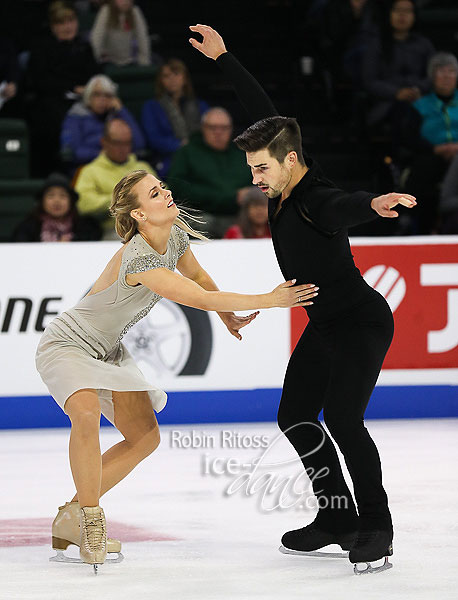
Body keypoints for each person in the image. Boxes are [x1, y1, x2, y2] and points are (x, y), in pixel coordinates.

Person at [189, 23, 417, 574]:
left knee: (342, 419)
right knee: (295, 414)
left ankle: (376, 527)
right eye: (252, 169)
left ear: (290, 162)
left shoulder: (314, 197)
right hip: (326, 325)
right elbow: (265, 112)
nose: (256, 179)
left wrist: (374, 203)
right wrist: (225, 59)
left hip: (361, 321)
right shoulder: (287, 167)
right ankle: (337, 516)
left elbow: (343, 206)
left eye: (262, 168)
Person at [35, 168, 318, 571]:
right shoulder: (138, 257)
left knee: (145, 438)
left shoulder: (175, 236)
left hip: (108, 350)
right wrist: (271, 299)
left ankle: (72, 512)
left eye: (162, 186)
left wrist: (228, 316)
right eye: (154, 193)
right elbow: (197, 298)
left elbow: (199, 278)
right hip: (67, 345)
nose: (165, 192)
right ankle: (91, 521)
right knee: (85, 414)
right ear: (139, 215)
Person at [26, 0, 98, 176]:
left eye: (71, 20)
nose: (68, 27)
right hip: (52, 101)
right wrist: (73, 88)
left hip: (84, 101)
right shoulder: (41, 48)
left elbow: (96, 76)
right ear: (52, 26)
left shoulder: (84, 47)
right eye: (61, 22)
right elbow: (40, 81)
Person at [168, 107, 252, 239]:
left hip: (239, 216)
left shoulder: (243, 154)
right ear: (203, 128)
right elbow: (177, 188)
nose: (218, 132)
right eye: (212, 127)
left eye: (224, 128)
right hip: (201, 216)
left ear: (231, 129)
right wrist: (229, 197)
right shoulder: (187, 153)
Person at [403, 52, 458, 234]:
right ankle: (417, 225)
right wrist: (435, 148)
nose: (446, 77)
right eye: (441, 72)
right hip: (431, 156)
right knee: (423, 168)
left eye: (451, 72)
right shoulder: (420, 105)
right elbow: (409, 138)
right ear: (432, 76)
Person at [74, 118, 155, 239]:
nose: (123, 148)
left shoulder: (143, 168)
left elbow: (163, 196)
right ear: (104, 142)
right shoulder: (90, 171)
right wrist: (123, 200)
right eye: (117, 143)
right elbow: (83, 204)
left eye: (127, 143)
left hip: (149, 228)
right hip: (112, 230)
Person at [362, 0, 434, 127]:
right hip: (387, 103)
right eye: (397, 10)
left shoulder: (424, 44)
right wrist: (396, 93)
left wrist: (418, 89)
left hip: (420, 99)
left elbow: (433, 74)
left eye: (407, 11)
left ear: (414, 16)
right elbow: (370, 80)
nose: (402, 15)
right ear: (389, 14)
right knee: (405, 112)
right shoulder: (376, 44)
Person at [61, 74, 145, 169]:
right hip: (86, 167)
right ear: (88, 96)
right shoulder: (76, 116)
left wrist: (122, 111)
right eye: (96, 94)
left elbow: (139, 144)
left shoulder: (116, 115)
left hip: (118, 167)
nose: (102, 99)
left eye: (107, 96)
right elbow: (72, 152)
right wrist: (103, 154)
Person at [141, 58, 209, 177]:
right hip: (169, 158)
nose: (172, 79)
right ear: (160, 81)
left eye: (176, 74)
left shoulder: (200, 105)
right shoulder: (151, 107)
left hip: (200, 155)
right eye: (166, 76)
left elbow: (208, 132)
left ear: (185, 78)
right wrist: (180, 145)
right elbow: (153, 139)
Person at [11, 173, 102, 242]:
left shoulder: (86, 226)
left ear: (71, 201)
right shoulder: (28, 227)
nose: (57, 201)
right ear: (42, 201)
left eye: (63, 196)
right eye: (51, 196)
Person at [89, 0, 151, 66]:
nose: (125, 2)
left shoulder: (135, 11)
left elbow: (143, 38)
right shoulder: (106, 10)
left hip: (128, 61)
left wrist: (144, 63)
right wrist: (95, 61)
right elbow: (97, 38)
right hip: (107, 61)